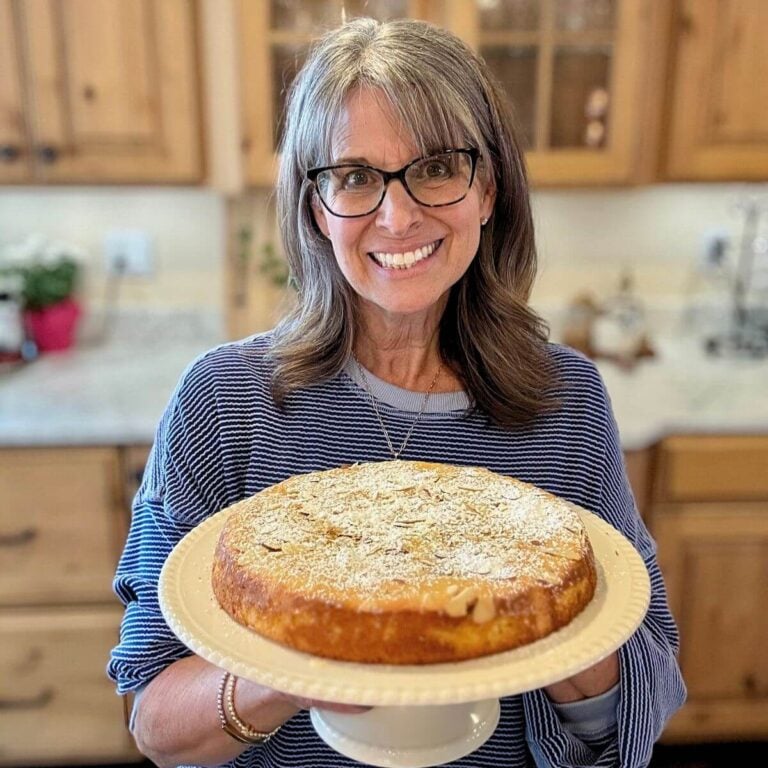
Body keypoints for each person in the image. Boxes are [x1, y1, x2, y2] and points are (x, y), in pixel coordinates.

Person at [108, 17, 686, 768]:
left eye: (437, 166)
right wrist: (305, 668)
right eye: (353, 177)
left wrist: (539, 616)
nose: (398, 214)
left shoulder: (564, 401)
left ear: (488, 188)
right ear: (316, 208)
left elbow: (645, 701)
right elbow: (155, 723)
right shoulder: (224, 403)